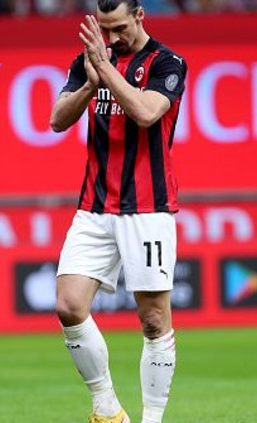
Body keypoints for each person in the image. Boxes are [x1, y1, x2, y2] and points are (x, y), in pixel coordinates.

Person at [49, 1, 187, 422]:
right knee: (69, 305)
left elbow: (146, 113)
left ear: (140, 15)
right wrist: (89, 86)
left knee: (153, 319)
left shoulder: (167, 62)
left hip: (147, 208)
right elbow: (57, 120)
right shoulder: (89, 61)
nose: (112, 38)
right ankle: (108, 409)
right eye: (105, 29)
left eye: (120, 28)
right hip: (94, 205)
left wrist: (105, 71)